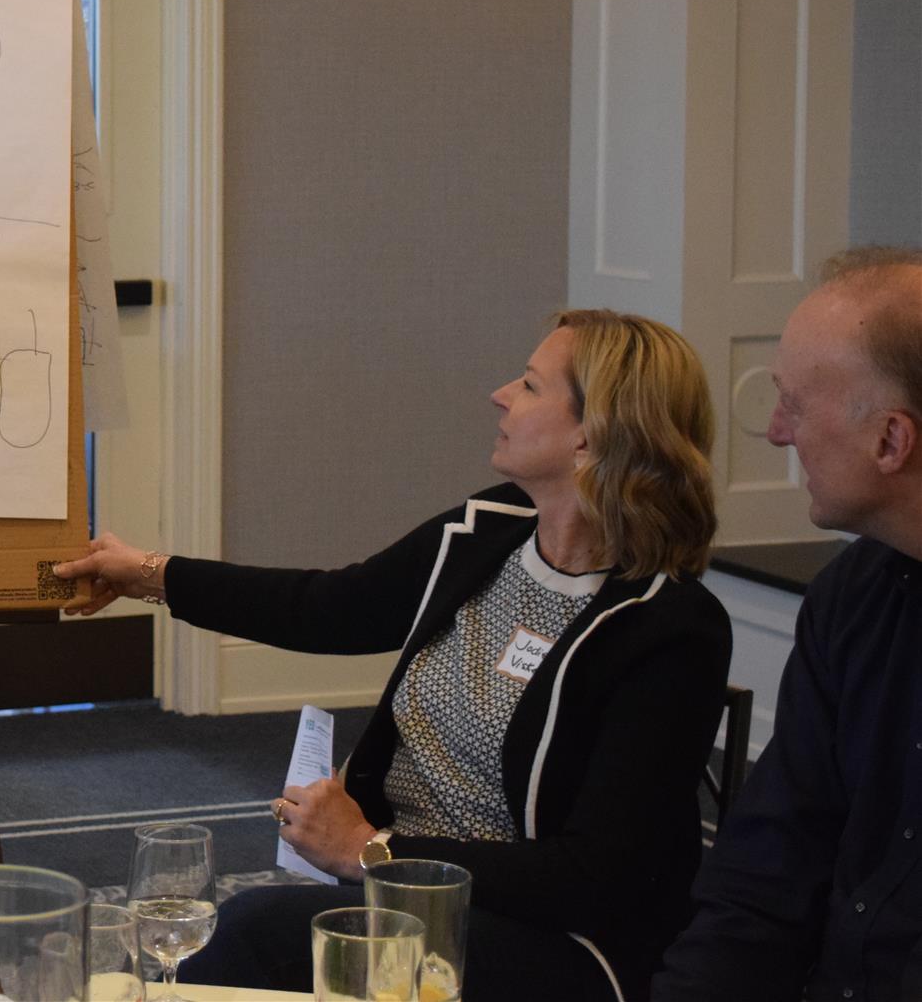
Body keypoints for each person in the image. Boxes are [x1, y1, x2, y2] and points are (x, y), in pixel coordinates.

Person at [55, 310, 731, 1002]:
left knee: (256, 934)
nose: (500, 394)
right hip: (401, 895)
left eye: (530, 386)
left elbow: (592, 876)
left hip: (555, 940)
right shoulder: (488, 531)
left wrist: (371, 852)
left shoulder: (668, 629)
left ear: (591, 435)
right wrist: (148, 574)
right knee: (256, 939)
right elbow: (329, 607)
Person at [653, 247, 922, 1002]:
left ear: (890, 440)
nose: (776, 433)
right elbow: (766, 873)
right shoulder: (851, 598)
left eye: (794, 405)